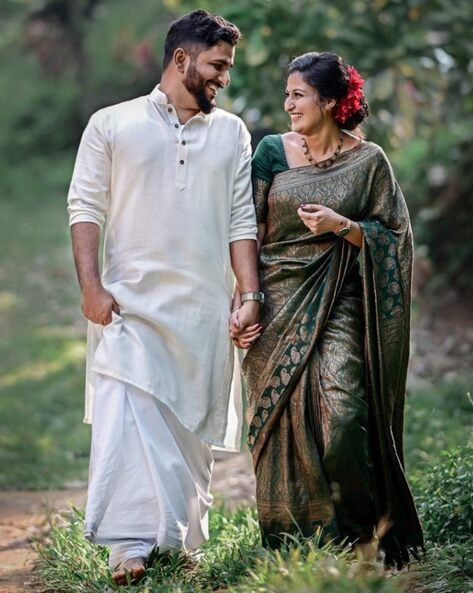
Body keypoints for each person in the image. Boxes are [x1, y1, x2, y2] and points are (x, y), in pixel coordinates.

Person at [67, 10, 262, 585]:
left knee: (186, 434)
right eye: (217, 65)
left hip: (203, 309)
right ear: (182, 59)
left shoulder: (232, 133)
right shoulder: (112, 123)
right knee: (126, 425)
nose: (224, 77)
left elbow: (240, 220)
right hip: (127, 305)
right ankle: (127, 549)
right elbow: (85, 207)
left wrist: (247, 293)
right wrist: (91, 288)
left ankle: (179, 540)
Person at [233, 51, 424, 568]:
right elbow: (246, 229)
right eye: (287, 93)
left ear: (330, 101)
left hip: (340, 301)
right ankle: (302, 542)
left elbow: (397, 240)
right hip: (275, 304)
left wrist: (344, 226)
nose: (287, 103)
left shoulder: (369, 162)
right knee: (286, 423)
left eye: (298, 94)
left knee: (343, 419)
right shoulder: (271, 152)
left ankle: (365, 536)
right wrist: (245, 299)